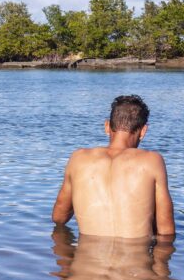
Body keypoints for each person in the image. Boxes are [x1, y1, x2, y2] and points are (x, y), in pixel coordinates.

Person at [51, 94, 175, 239]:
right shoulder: (153, 161)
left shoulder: (78, 158)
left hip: (87, 260)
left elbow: (58, 217)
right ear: (143, 131)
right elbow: (166, 230)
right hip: (135, 260)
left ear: (107, 126)